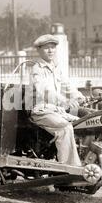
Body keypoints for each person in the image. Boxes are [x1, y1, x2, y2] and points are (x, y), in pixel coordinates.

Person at [26, 34, 86, 167]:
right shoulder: (37, 69)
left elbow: (66, 85)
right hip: (40, 111)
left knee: (83, 123)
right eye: (47, 48)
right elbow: (45, 90)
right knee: (65, 128)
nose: (50, 51)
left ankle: (84, 160)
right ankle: (70, 170)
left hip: (55, 111)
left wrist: (79, 96)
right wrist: (65, 101)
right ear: (39, 50)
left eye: (53, 47)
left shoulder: (55, 68)